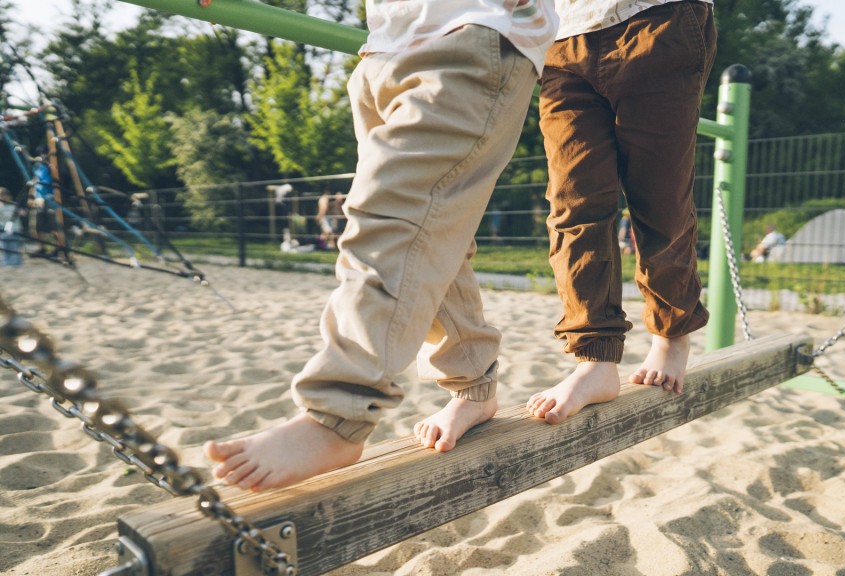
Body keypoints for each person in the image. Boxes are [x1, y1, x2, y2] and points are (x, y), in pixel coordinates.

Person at [203, 0, 559, 492]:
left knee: (391, 223)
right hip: (385, 47)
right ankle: (472, 384)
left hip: (472, 31)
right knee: (433, 232)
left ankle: (338, 418)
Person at [527, 0, 717, 424]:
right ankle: (594, 357)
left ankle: (671, 332)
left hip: (656, 21)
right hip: (562, 38)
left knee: (660, 201)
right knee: (572, 206)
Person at [0, 187, 25, 266]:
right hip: (4, 231)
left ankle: (16, 261)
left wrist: (21, 212)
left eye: (5, 195)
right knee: (5, 247)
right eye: (1, 196)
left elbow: (23, 213)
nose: (4, 197)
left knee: (14, 247)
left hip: (16, 230)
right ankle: (6, 261)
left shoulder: (14, 205)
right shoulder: (0, 207)